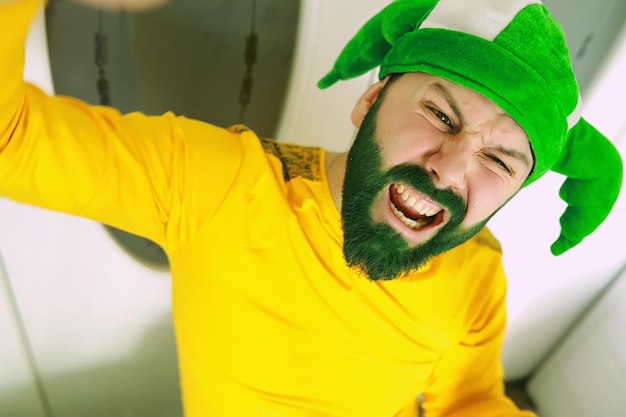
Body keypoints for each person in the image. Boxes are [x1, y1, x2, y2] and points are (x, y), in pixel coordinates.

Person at [1, 0, 622, 416]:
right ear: (370, 100)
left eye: (499, 162)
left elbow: (467, 399)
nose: (451, 169)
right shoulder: (216, 185)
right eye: (439, 114)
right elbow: (10, 140)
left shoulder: (476, 274)